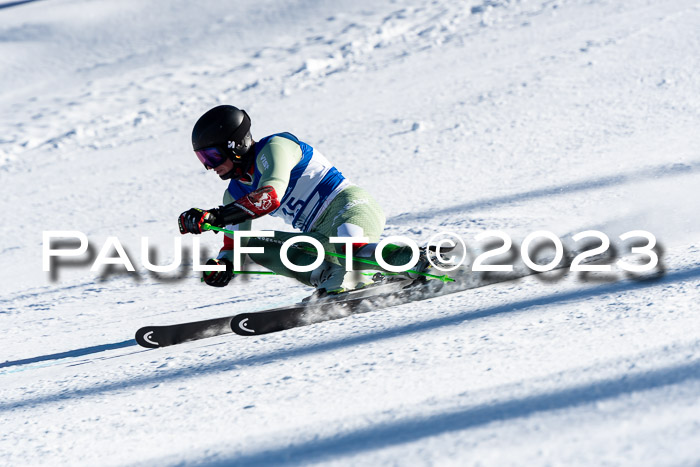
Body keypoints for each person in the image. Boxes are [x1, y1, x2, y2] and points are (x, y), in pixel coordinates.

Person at [178, 105, 425, 294]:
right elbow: (233, 247)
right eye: (203, 160)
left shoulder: (275, 147)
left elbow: (270, 196)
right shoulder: (234, 193)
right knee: (250, 244)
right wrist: (221, 268)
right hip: (317, 235)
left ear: (235, 145)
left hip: (348, 206)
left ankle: (423, 261)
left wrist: (217, 215)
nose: (210, 167)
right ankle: (333, 276)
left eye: (213, 157)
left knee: (349, 249)